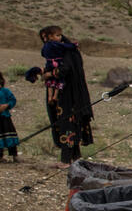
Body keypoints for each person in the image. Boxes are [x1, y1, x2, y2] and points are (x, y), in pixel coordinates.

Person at [38, 26, 93, 166]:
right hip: (67, 92)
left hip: (68, 93)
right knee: (69, 121)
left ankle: (66, 159)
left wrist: (48, 75)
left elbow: (65, 69)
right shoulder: (64, 50)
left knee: (66, 122)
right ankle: (75, 157)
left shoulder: (66, 51)